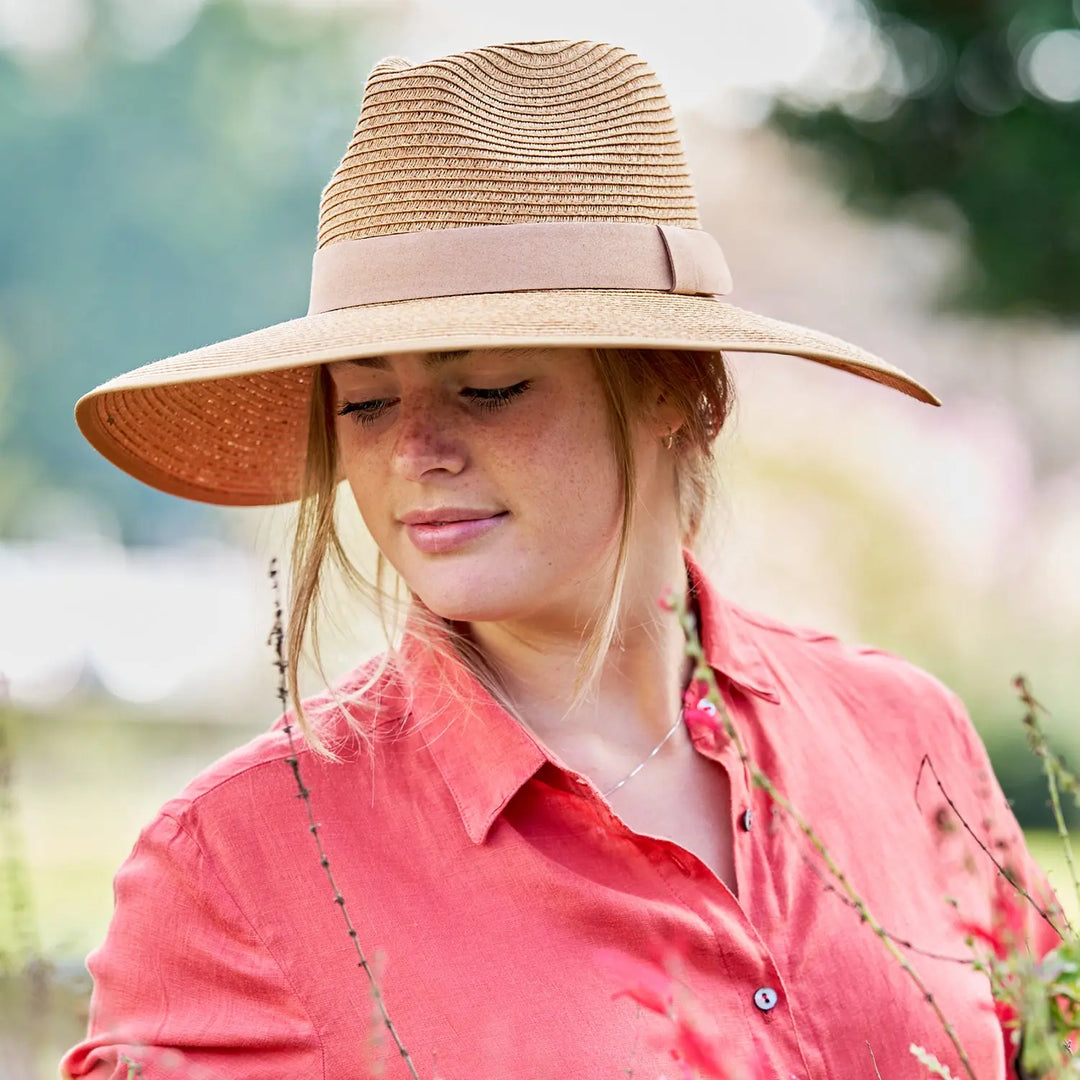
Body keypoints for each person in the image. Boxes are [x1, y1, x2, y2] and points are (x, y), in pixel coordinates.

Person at [62, 38, 1060, 1080]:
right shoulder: (237, 867)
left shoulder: (906, 739)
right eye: (362, 402)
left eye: (486, 388)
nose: (415, 450)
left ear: (681, 393)